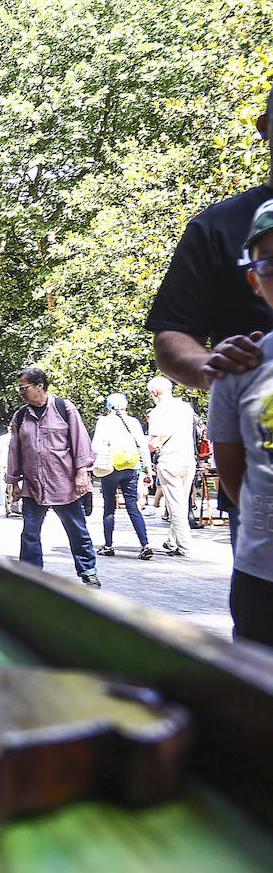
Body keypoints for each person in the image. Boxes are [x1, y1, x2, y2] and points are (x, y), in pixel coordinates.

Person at [147, 84, 273, 546]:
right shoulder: (218, 227)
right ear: (265, 128)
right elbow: (171, 335)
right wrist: (215, 368)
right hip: (262, 459)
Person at [208, 198, 273, 646]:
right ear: (255, 280)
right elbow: (235, 480)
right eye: (270, 263)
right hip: (262, 578)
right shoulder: (239, 368)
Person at [5, 367, 100, 587]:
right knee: (30, 532)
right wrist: (13, 482)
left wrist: (81, 474)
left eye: (24, 387)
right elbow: (15, 449)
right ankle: (30, 574)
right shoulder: (21, 415)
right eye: (19, 387)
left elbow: (81, 443)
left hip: (64, 484)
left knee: (77, 530)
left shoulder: (64, 408)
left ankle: (88, 571)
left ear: (40, 385)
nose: (20, 391)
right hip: (32, 485)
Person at [90, 393, 153, 560]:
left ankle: (108, 545)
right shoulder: (133, 422)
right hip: (131, 468)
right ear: (126, 406)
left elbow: (95, 446)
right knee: (133, 506)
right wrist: (148, 468)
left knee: (109, 507)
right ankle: (145, 545)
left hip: (110, 469)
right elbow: (142, 446)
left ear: (108, 406)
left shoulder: (103, 422)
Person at [146, 376, 196, 556]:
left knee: (176, 506)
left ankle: (185, 546)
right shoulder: (185, 407)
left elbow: (155, 441)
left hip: (170, 462)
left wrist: (143, 446)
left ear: (155, 393)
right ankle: (172, 540)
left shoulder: (158, 412)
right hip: (188, 460)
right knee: (182, 501)